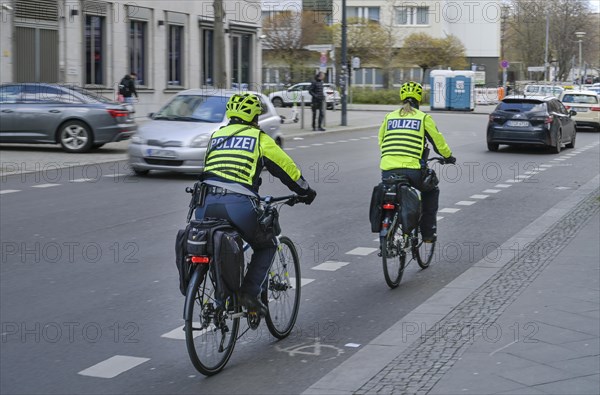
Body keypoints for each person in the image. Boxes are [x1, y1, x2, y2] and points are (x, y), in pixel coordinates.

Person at [195, 93, 317, 314]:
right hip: (238, 205)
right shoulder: (259, 139)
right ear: (254, 117)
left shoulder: (216, 136)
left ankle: (222, 295)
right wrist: (305, 191)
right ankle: (248, 294)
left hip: (204, 204)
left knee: (216, 245)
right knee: (266, 244)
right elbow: (287, 170)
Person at [378, 81, 456, 243]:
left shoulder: (389, 117)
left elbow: (381, 141)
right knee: (431, 190)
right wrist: (448, 157)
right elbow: (438, 142)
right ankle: (428, 233)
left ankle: (389, 226)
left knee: (388, 194)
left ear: (401, 97)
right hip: (412, 171)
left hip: (387, 170)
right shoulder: (423, 118)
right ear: (420, 99)